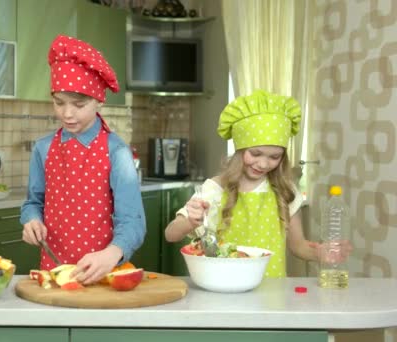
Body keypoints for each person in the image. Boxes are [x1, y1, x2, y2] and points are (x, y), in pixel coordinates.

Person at [165, 89, 350, 277]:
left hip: (272, 296)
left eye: (274, 157)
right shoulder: (215, 189)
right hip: (225, 292)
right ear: (239, 149)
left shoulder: (286, 192)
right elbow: (171, 234)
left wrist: (320, 253)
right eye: (255, 153)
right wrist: (190, 221)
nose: (263, 164)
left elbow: (299, 246)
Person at [20, 35, 145, 285]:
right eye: (59, 103)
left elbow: (133, 221)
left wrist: (113, 253)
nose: (67, 113)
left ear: (99, 100)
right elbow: (33, 202)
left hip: (103, 274)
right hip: (53, 273)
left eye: (79, 104)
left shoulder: (117, 152)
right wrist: (31, 220)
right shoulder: (43, 149)